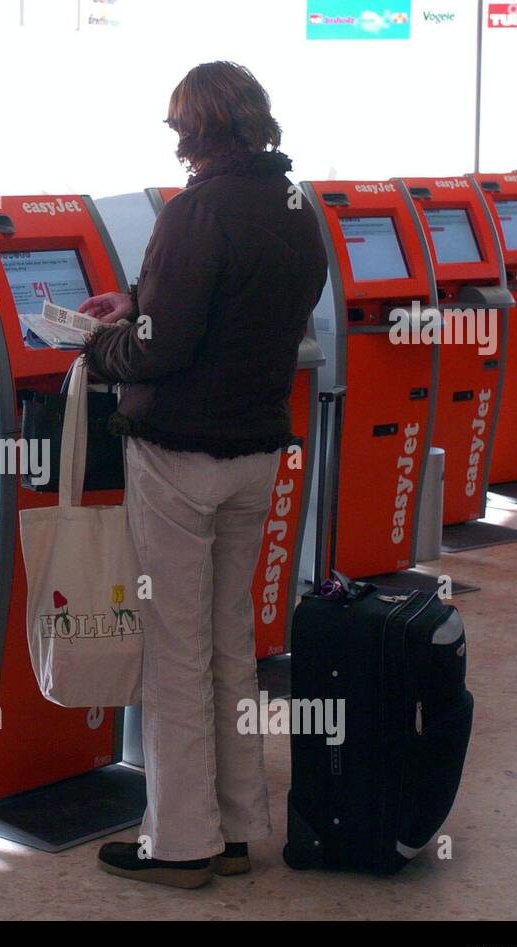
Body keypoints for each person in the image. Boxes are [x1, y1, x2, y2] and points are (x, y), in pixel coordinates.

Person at [80, 61, 328, 889]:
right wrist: (136, 299)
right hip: (257, 455)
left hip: (180, 457)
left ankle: (179, 844)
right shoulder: (298, 208)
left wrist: (92, 342)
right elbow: (236, 308)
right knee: (231, 646)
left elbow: (163, 347)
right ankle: (234, 826)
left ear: (194, 130)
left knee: (175, 652)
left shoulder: (196, 210)